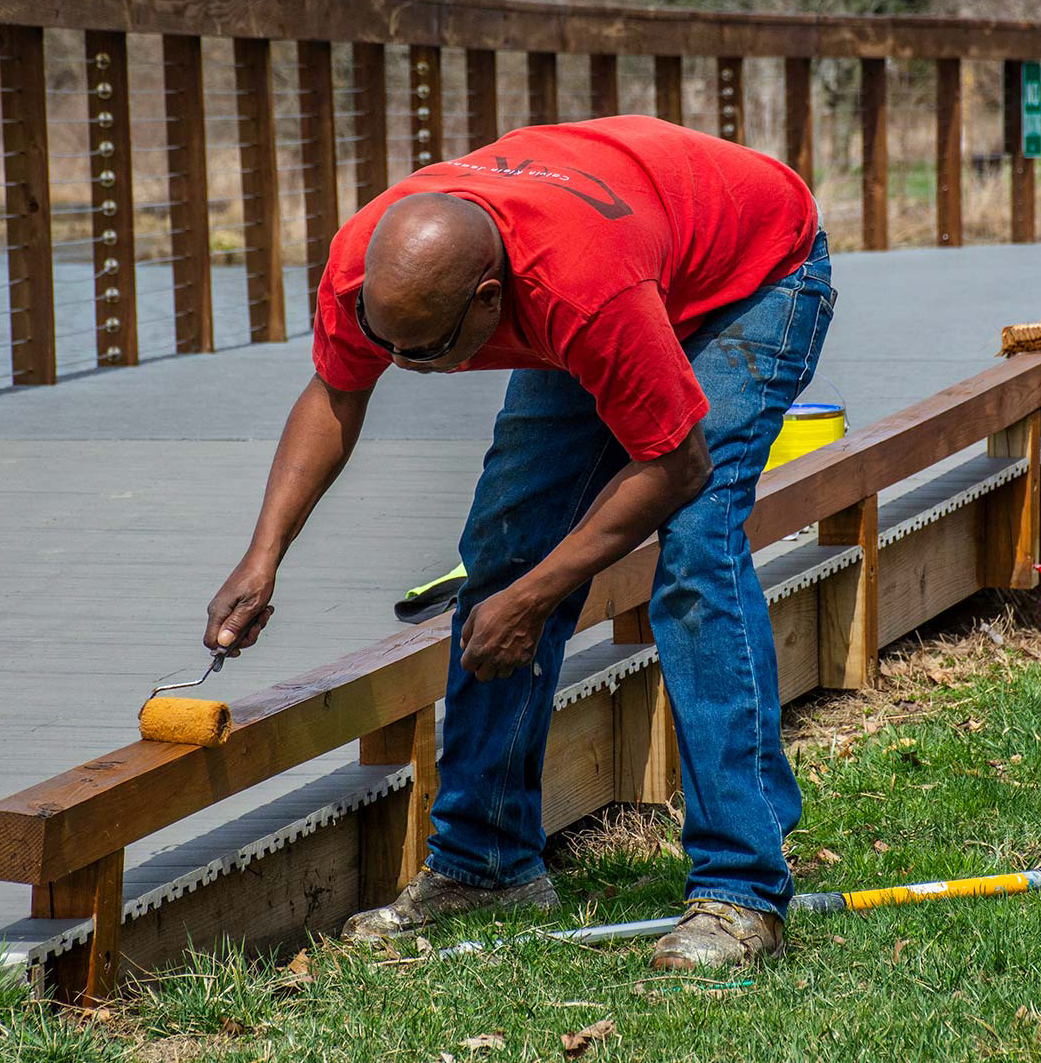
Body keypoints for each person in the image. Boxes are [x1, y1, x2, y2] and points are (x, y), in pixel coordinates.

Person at [203, 115, 833, 968]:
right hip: (626, 253)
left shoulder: (581, 290)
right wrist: (263, 553)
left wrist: (535, 601)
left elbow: (676, 467)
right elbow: (337, 393)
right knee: (503, 546)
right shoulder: (371, 267)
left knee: (695, 551)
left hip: (753, 272)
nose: (408, 367)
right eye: (389, 343)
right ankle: (483, 865)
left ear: (491, 300)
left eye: (427, 352)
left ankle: (741, 894)